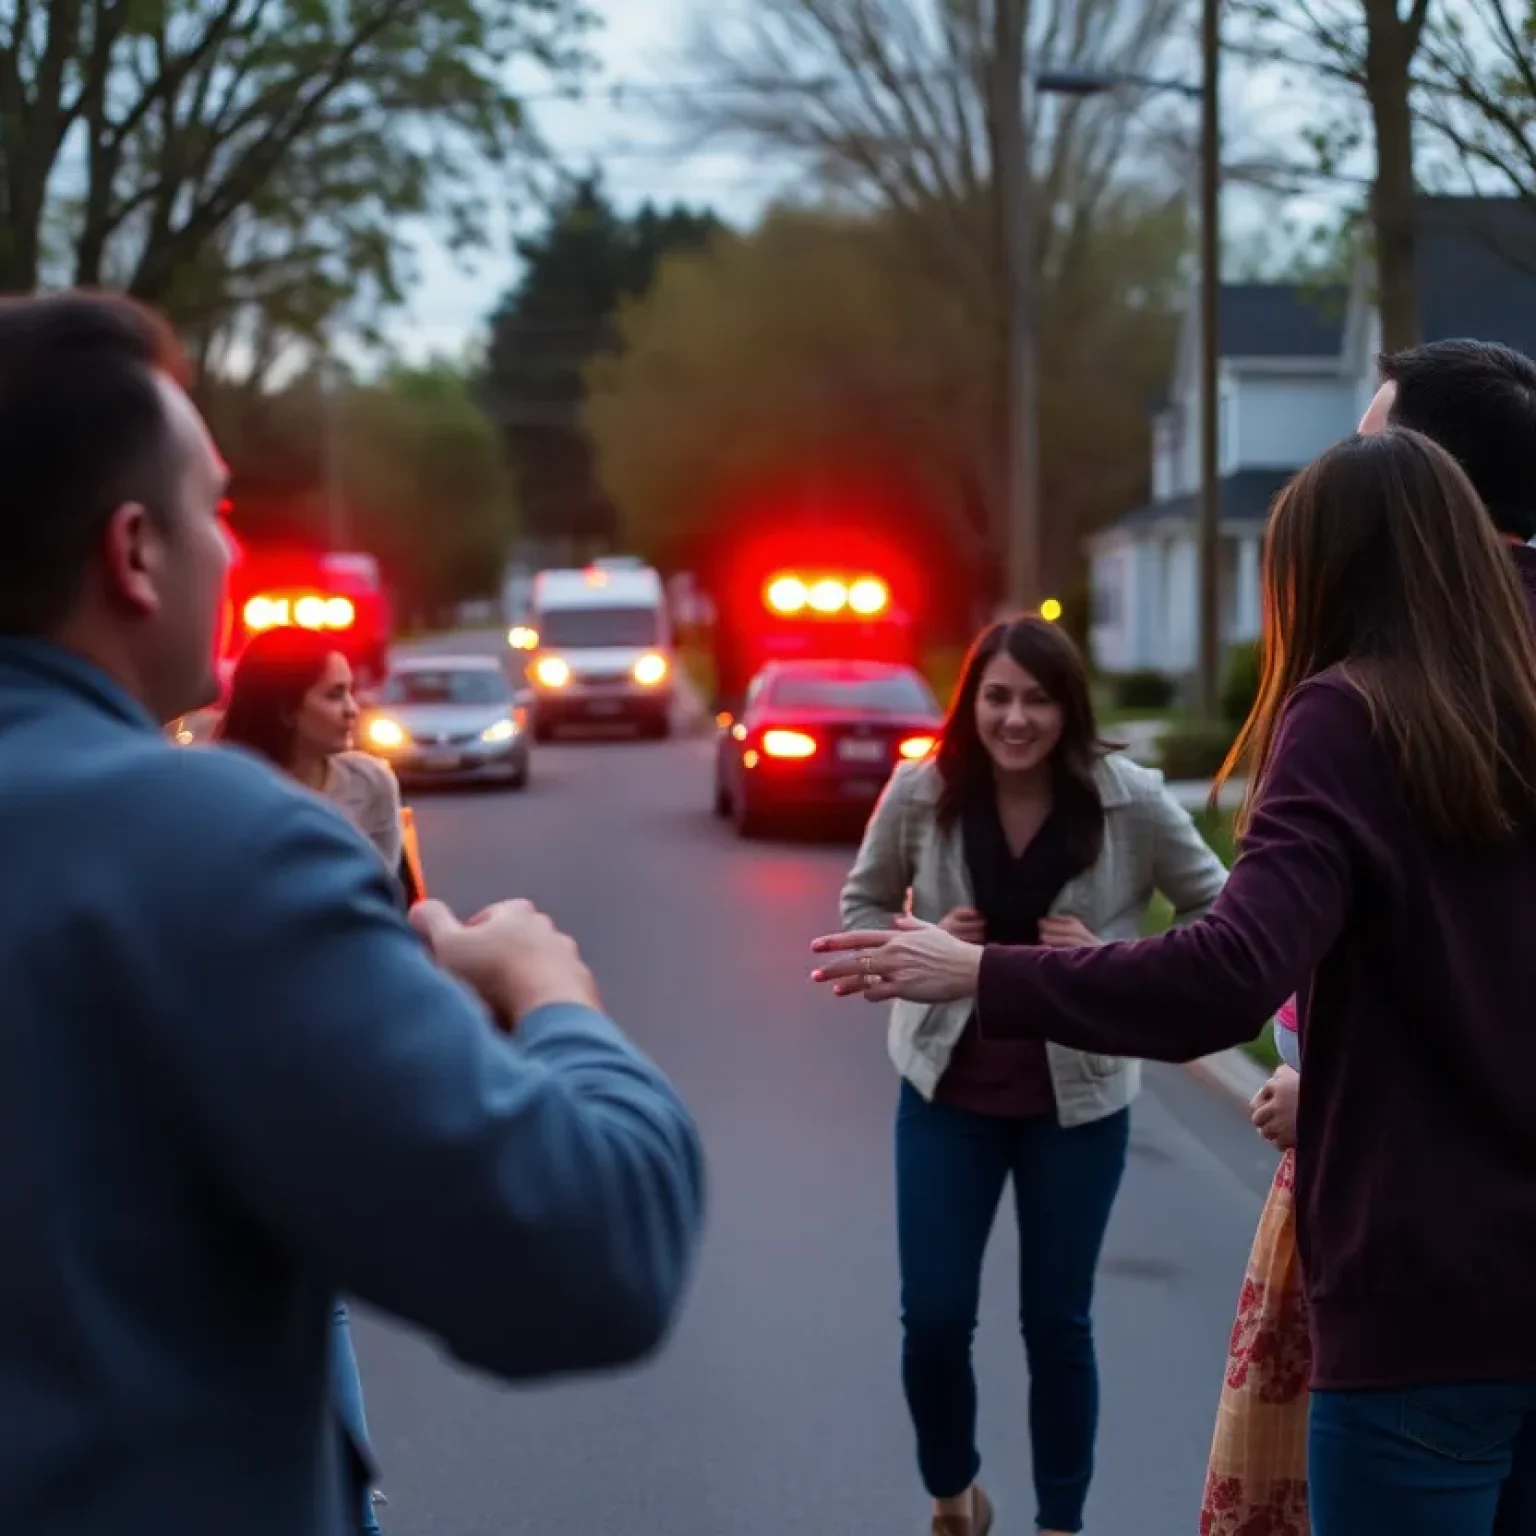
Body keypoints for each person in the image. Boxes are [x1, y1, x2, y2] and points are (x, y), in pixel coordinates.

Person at [0, 291, 705, 1535]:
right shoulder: (211, 845)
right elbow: (597, 1250)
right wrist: (549, 990)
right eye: (215, 509)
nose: (231, 550)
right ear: (134, 552)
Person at [811, 426, 1536, 1535]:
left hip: (1425, 1305)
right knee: (941, 1315)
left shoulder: (1346, 719)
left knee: (1057, 1322)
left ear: (1322, 574)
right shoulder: (1510, 708)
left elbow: (1228, 973)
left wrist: (983, 971)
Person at [839, 617, 1228, 1536]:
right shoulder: (921, 789)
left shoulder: (1126, 798)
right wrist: (911, 941)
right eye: (997, 696)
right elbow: (860, 899)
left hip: (1078, 1101)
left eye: (1039, 699)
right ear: (970, 701)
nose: (1016, 719)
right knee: (933, 1318)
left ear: (1070, 707)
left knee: (1057, 1327)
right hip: (945, 1089)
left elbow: (1222, 910)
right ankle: (953, 1495)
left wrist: (1118, 958)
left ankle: (1060, 1523)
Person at [218, 627, 406, 1535]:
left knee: (309, 1292)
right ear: (287, 705)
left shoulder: (372, 785)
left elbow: (394, 916)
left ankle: (339, 1500)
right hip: (244, 1072)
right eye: (334, 695)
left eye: (353, 690)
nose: (353, 709)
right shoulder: (222, 792)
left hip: (340, 1069)